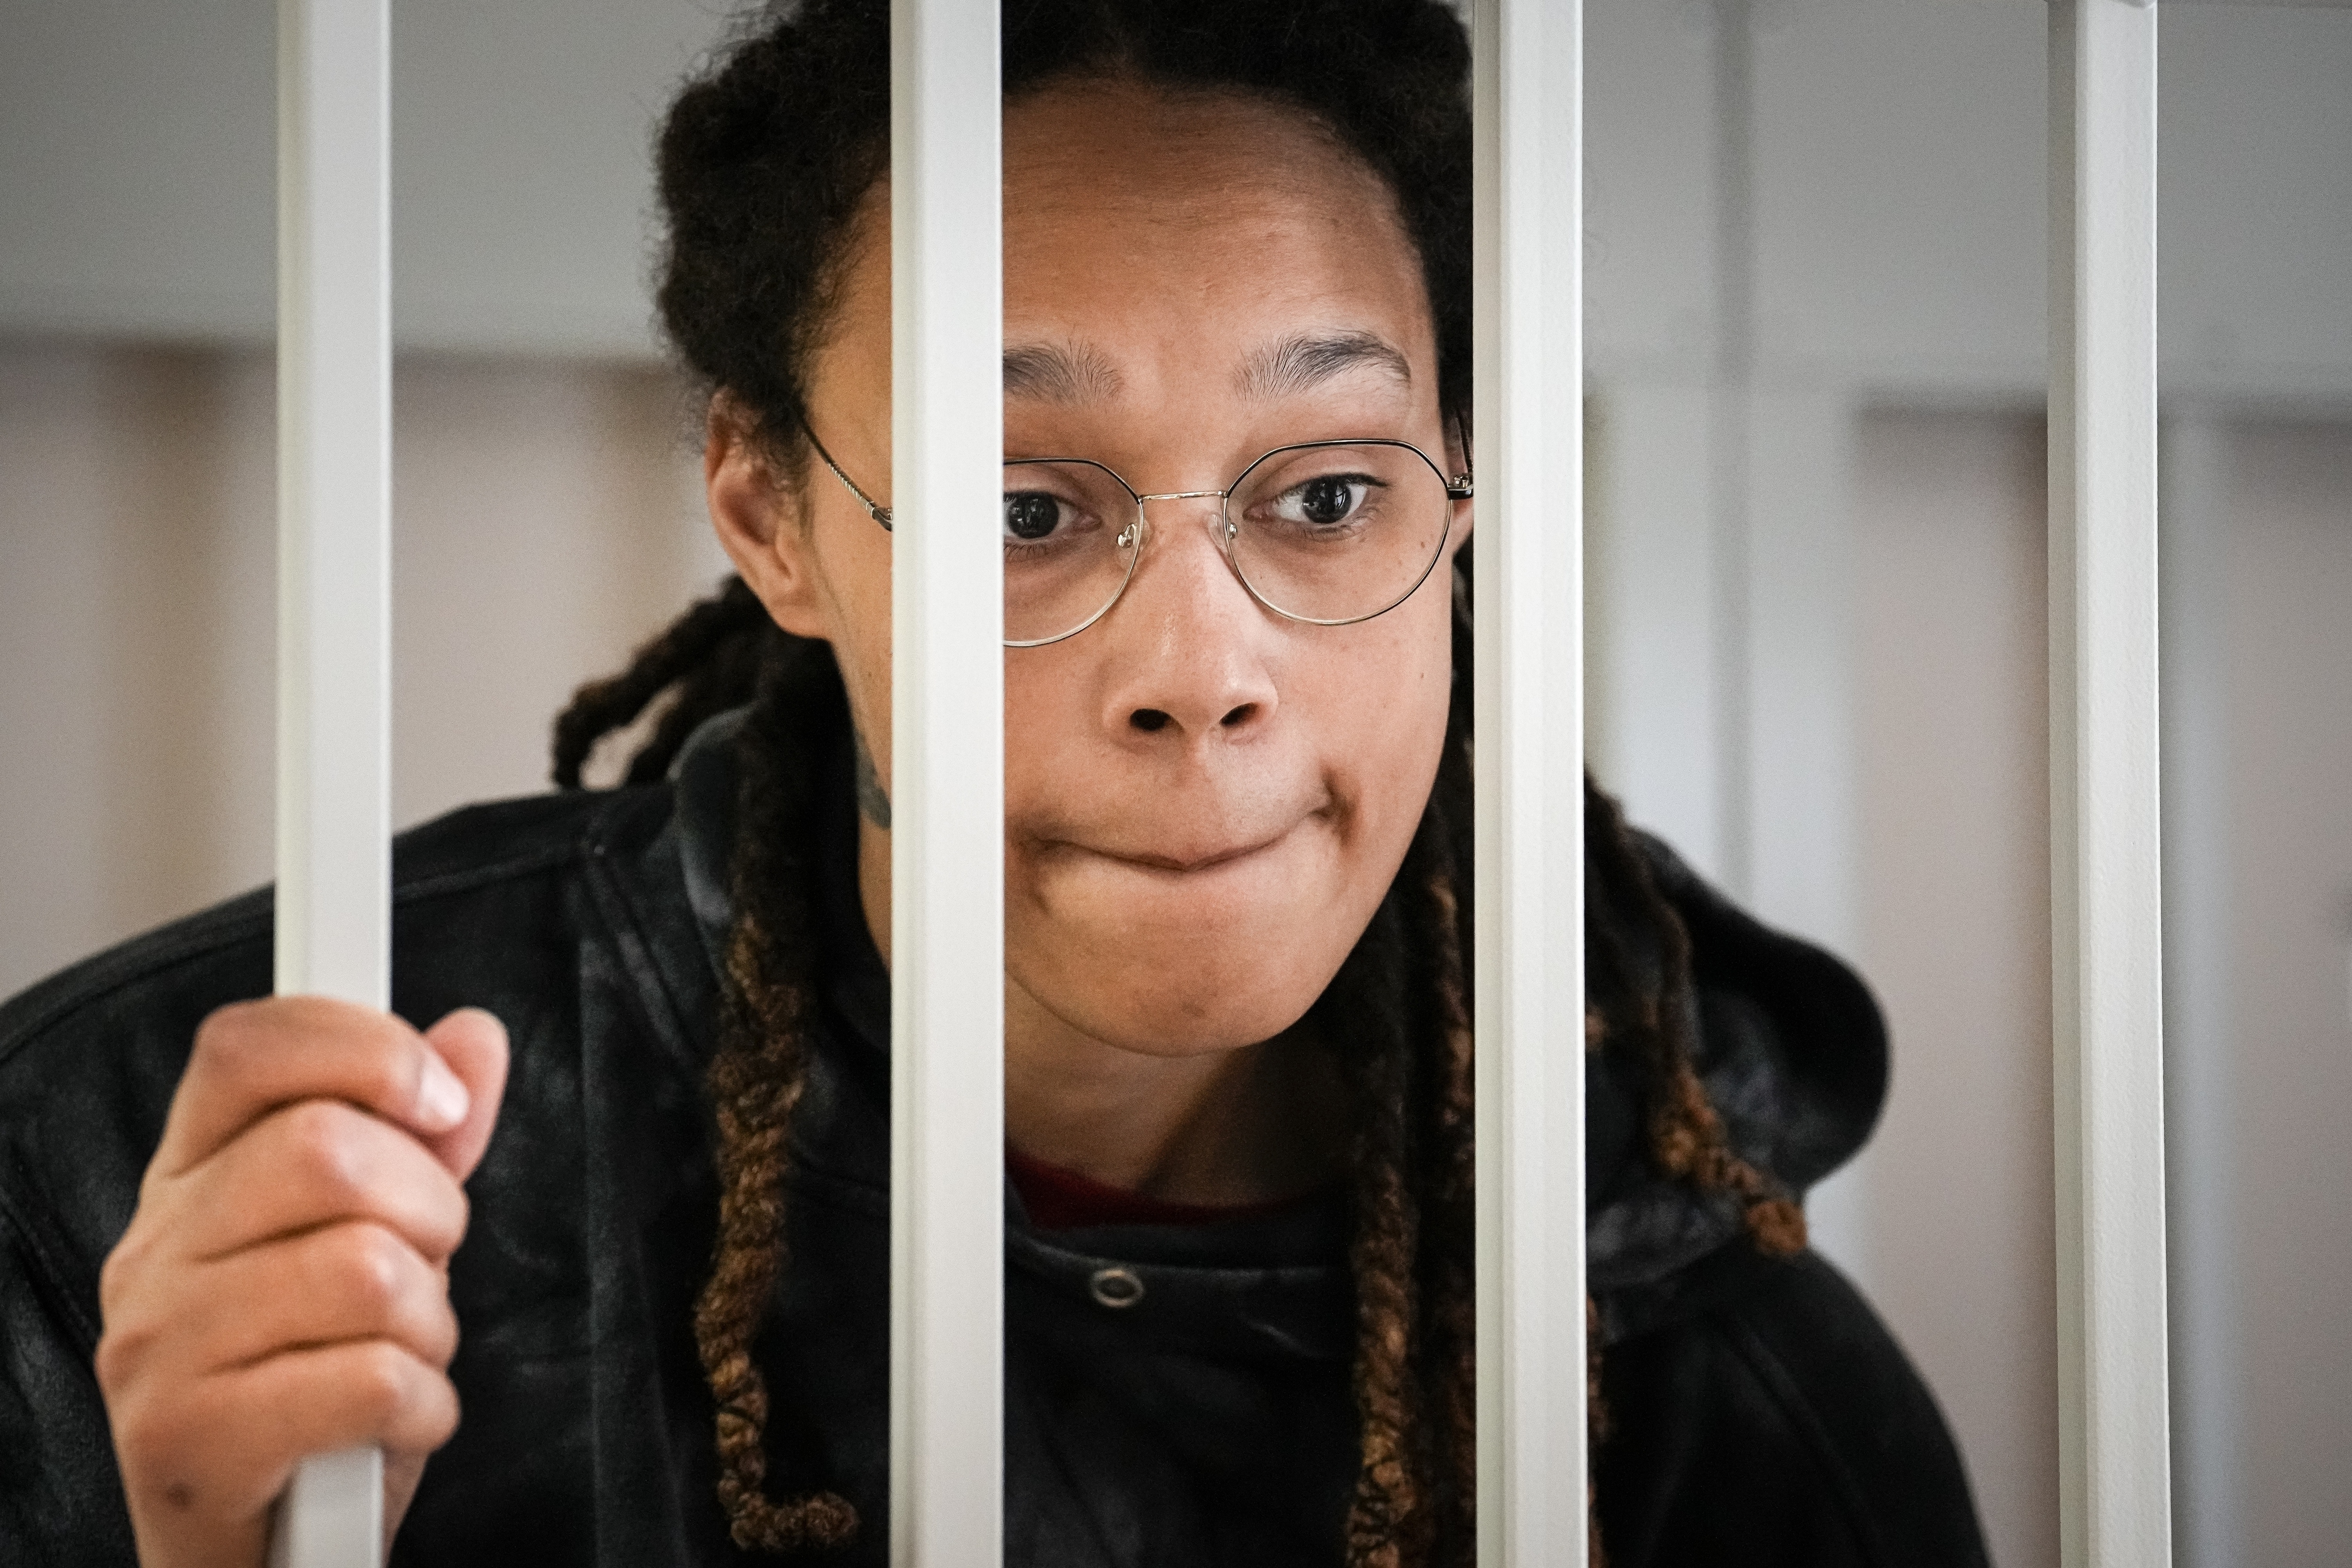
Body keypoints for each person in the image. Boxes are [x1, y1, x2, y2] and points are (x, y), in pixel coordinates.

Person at [0, 2, 1991, 1564]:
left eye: (1324, 497)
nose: (1202, 676)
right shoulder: (195, 1181)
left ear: (1461, 500)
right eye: (1026, 508)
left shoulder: (1699, 1352)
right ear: (771, 514)